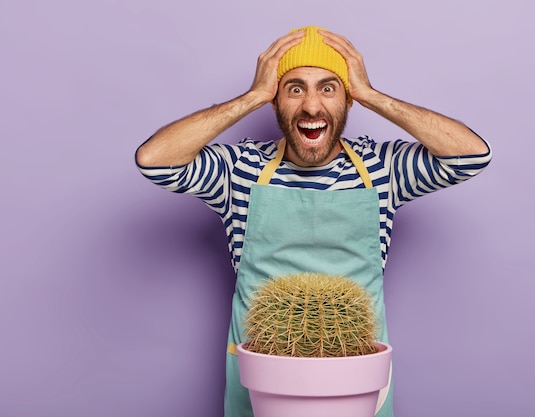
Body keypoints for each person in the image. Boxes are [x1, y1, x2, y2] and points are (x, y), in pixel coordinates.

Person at [135, 25, 491, 417]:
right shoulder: (240, 169)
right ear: (275, 102)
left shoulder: (382, 167)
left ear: (347, 99)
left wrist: (372, 95)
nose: (311, 106)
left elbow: (470, 155)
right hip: (260, 378)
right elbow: (155, 160)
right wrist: (251, 97)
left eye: (328, 87)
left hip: (358, 377)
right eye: (294, 88)